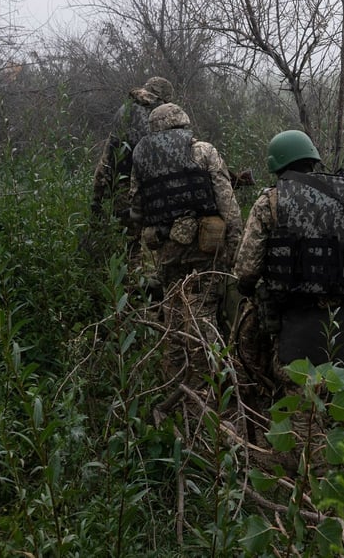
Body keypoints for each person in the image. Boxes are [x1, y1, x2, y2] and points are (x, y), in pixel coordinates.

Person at [233, 129, 344, 402]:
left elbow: (246, 270)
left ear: (277, 164)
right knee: (342, 387)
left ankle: (255, 399)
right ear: (312, 158)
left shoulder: (270, 201)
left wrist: (251, 289)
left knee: (297, 393)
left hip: (292, 315)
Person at [129, 102, 243, 386]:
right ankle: (215, 385)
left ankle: (176, 382)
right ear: (182, 123)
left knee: (174, 315)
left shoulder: (141, 158)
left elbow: (136, 210)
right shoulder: (203, 150)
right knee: (203, 312)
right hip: (204, 247)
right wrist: (235, 247)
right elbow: (228, 206)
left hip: (167, 248)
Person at [90, 76, 174, 233]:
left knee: (123, 233)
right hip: (145, 189)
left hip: (118, 184)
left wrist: (97, 195)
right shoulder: (160, 115)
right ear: (165, 96)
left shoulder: (125, 109)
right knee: (143, 236)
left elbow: (108, 154)